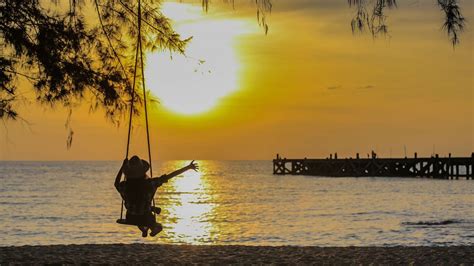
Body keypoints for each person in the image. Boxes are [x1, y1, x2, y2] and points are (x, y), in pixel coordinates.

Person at [114, 155, 198, 237]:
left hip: (131, 217)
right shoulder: (150, 184)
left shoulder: (124, 186)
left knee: (139, 212)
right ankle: (152, 227)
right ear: (143, 172)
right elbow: (170, 175)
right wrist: (188, 167)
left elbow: (116, 183)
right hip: (145, 217)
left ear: (128, 173)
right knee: (155, 223)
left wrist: (122, 166)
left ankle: (144, 228)